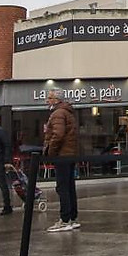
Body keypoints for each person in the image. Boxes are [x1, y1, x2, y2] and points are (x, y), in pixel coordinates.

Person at [43, 88, 79, 232]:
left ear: (56, 100)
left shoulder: (58, 113)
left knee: (62, 187)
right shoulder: (68, 113)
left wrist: (50, 151)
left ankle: (64, 220)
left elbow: (58, 135)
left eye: (50, 97)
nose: (47, 100)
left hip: (62, 155)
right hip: (70, 154)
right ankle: (73, 217)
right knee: (70, 186)